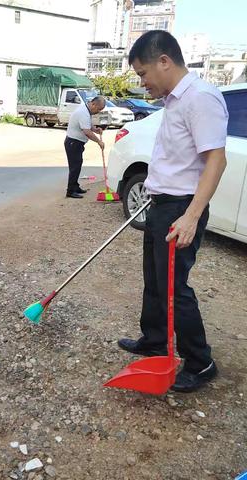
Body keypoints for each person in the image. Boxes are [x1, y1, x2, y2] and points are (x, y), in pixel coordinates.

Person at [118, 31, 228, 392]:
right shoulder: (173, 100)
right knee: (154, 278)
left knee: (174, 289)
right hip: (161, 203)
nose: (142, 82)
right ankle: (154, 340)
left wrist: (192, 216)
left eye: (143, 73)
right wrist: (153, 191)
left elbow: (216, 160)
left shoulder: (201, 98)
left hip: (181, 208)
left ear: (164, 61)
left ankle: (201, 361)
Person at [64, 96, 106, 198]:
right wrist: (98, 141)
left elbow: (88, 126)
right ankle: (70, 191)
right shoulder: (83, 113)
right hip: (73, 143)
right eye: (98, 109)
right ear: (93, 104)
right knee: (75, 167)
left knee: (77, 165)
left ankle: (75, 186)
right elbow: (86, 132)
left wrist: (96, 129)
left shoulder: (87, 111)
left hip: (76, 143)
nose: (98, 112)